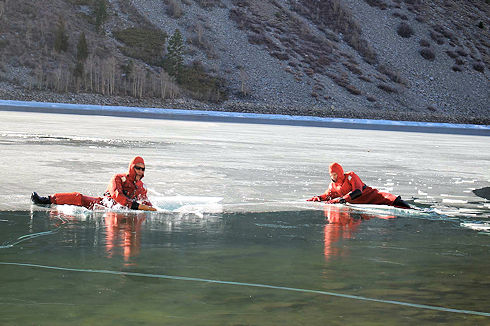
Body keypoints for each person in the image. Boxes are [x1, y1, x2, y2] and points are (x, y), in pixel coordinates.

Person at [31, 156, 157, 211]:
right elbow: (117, 196)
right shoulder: (117, 178)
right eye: (138, 168)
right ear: (131, 167)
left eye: (143, 169)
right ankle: (47, 200)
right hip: (106, 204)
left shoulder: (141, 187)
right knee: (78, 197)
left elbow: (145, 202)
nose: (140, 171)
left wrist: (153, 209)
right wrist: (138, 206)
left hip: (125, 211)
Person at [307, 162, 411, 208]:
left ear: (340, 173)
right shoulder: (332, 185)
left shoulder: (350, 176)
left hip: (372, 196)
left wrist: (342, 199)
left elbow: (358, 191)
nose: (333, 177)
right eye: (331, 175)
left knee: (394, 200)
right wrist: (318, 198)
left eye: (335, 174)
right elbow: (328, 195)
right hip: (363, 205)